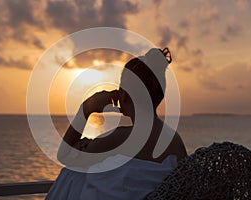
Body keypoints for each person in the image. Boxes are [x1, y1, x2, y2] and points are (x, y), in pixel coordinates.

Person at [46, 48, 187, 200]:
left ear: (124, 95)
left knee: (72, 173)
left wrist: (86, 109)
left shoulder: (122, 138)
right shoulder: (174, 140)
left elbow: (65, 155)